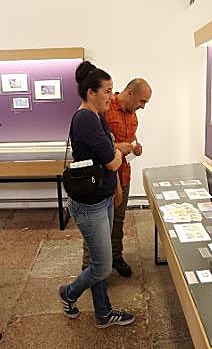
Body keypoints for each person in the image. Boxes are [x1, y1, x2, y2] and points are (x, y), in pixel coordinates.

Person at [59, 61, 135, 328]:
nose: (111, 97)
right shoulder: (85, 119)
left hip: (102, 197)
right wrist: (118, 152)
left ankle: (103, 313)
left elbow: (111, 151)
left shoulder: (97, 115)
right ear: (91, 92)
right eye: (107, 91)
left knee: (99, 260)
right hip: (89, 205)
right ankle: (68, 293)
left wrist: (115, 182)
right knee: (102, 266)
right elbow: (113, 161)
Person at [82, 77, 152, 277]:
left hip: (124, 174)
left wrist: (134, 148)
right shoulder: (103, 107)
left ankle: (115, 257)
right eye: (142, 101)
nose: (143, 106)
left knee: (118, 220)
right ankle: (89, 268)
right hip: (103, 177)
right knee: (97, 224)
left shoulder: (133, 115)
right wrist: (120, 147)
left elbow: (128, 141)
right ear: (130, 93)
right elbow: (95, 143)